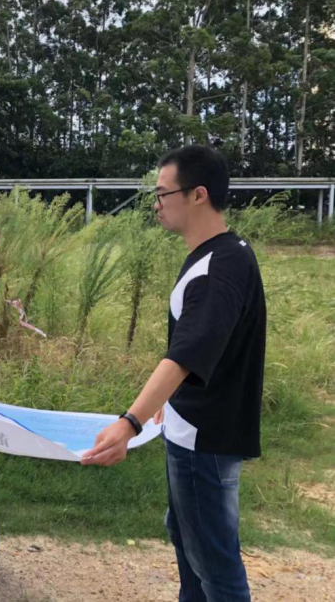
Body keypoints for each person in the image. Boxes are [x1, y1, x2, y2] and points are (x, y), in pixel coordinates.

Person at [82, 145, 266, 602]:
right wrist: (169, 402)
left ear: (198, 194)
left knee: (215, 567)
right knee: (190, 544)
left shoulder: (218, 267)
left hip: (206, 441)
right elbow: (210, 349)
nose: (157, 204)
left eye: (163, 193)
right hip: (195, 429)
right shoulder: (221, 254)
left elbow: (186, 353)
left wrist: (130, 422)